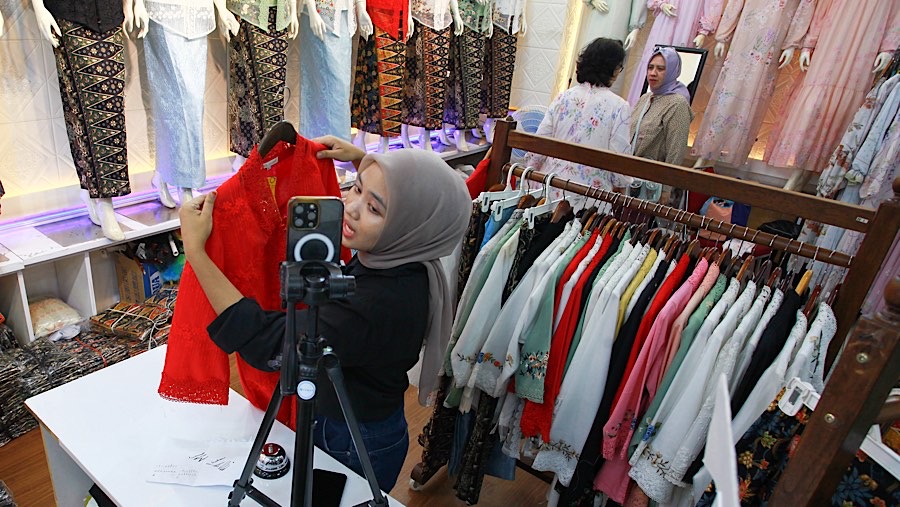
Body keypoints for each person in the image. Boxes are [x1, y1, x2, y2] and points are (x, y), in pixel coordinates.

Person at [178, 136, 471, 492]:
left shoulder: (380, 303)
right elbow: (411, 197)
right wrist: (365, 161)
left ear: (407, 225)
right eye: (356, 188)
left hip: (352, 439)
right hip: (361, 418)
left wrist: (196, 252)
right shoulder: (405, 258)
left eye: (375, 208)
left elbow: (269, 343)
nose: (351, 207)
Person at [527, 37, 633, 197]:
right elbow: (618, 159)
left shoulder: (563, 98)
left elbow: (540, 144)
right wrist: (621, 184)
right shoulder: (619, 107)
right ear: (613, 68)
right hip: (590, 194)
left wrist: (531, 175)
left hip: (550, 186)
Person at [629, 46, 693, 206]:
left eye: (660, 69)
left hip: (652, 187)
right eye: (650, 67)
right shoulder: (646, 98)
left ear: (672, 71)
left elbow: (676, 150)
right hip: (630, 178)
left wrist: (666, 189)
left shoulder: (677, 104)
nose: (653, 73)